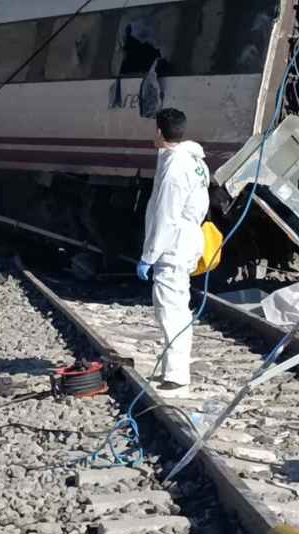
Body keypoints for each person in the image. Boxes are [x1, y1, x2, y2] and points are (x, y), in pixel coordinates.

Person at [137, 108, 210, 397]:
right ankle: (176, 370)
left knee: (170, 309)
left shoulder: (175, 167)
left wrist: (149, 256)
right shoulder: (194, 160)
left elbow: (166, 215)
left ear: (158, 132)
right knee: (178, 305)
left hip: (173, 244)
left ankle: (176, 375)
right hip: (188, 238)